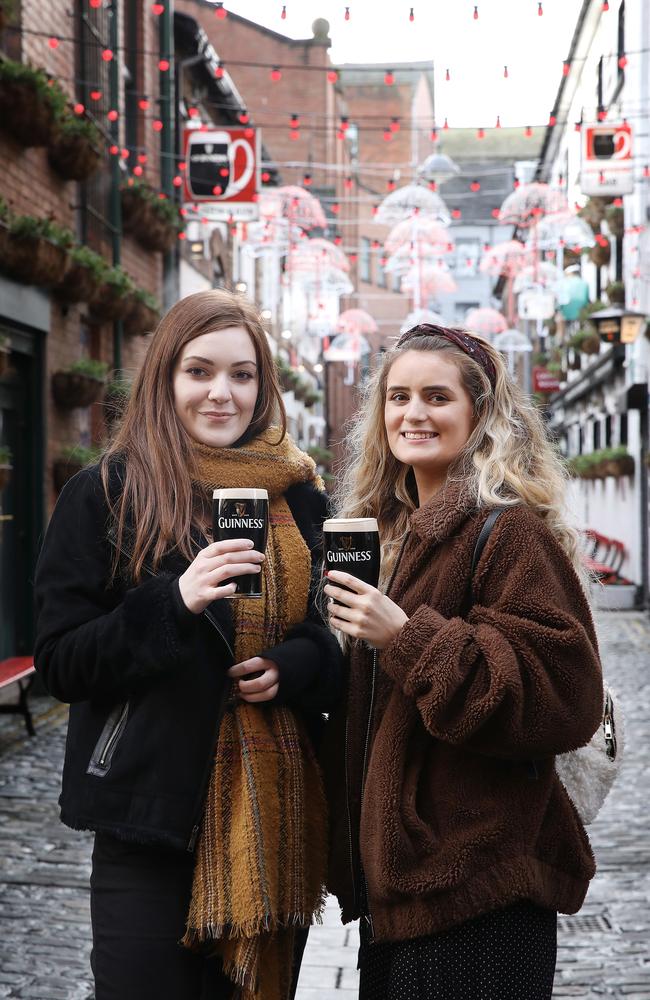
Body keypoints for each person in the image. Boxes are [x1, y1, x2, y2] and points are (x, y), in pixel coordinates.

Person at [34, 289, 343, 1000]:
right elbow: (60, 662)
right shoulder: (107, 494)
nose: (221, 394)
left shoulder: (302, 499)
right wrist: (173, 601)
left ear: (264, 386)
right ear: (165, 377)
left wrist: (297, 665)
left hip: (274, 823)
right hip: (149, 818)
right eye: (199, 372)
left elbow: (337, 641)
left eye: (242, 375)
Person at [322, 324, 603, 1000]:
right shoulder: (394, 535)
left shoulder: (508, 533)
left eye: (437, 396)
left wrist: (407, 639)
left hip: (476, 889)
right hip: (404, 892)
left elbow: (563, 697)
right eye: (398, 396)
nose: (413, 413)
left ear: (480, 416)